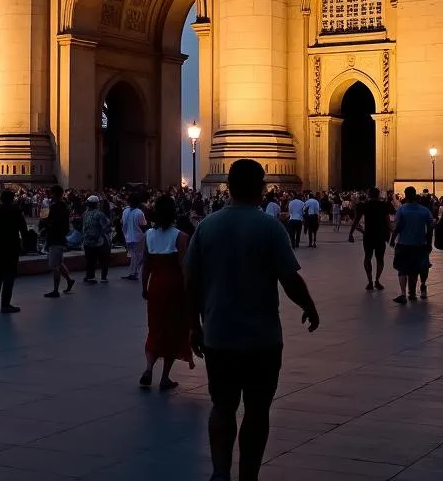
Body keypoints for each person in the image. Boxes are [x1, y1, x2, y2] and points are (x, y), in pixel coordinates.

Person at [185, 159, 319, 481]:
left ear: (227, 187)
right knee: (257, 410)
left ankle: (220, 472)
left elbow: (190, 282)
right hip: (262, 339)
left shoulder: (207, 226)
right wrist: (310, 306)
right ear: (261, 188)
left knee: (222, 405)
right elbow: (290, 279)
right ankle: (248, 475)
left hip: (218, 335)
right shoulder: (270, 227)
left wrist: (194, 326)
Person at [140, 195, 192, 391]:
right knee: (173, 330)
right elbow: (184, 266)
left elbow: (146, 265)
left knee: (155, 327)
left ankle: (148, 368)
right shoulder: (181, 236)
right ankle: (164, 377)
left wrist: (144, 287)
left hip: (156, 286)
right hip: (174, 286)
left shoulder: (149, 235)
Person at [389, 186, 433, 304]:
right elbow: (430, 228)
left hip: (404, 244)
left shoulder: (402, 210)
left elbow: (397, 227)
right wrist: (429, 243)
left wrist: (392, 239)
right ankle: (421, 287)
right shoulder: (425, 210)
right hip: (420, 244)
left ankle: (404, 293)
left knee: (402, 269)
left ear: (406, 195)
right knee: (420, 268)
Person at [349, 187, 396, 290]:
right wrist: (393, 236)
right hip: (380, 236)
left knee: (367, 257)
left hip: (368, 235)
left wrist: (351, 233)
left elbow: (356, 221)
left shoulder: (364, 206)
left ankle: (370, 281)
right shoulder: (383, 206)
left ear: (368, 195)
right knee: (380, 259)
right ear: (378, 195)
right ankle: (377, 280)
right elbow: (389, 220)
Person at [43, 184, 75, 298]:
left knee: (54, 265)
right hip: (59, 239)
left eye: (51, 193)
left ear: (55, 194)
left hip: (55, 239)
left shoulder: (55, 207)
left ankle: (56, 290)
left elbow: (44, 220)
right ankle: (69, 280)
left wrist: (47, 219)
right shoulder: (62, 206)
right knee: (59, 263)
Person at [82, 194, 112, 283]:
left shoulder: (84, 214)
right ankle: (103, 277)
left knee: (90, 260)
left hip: (87, 241)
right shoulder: (100, 214)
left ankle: (90, 276)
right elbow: (106, 228)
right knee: (104, 260)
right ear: (96, 204)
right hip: (99, 241)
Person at [121, 191, 148, 281]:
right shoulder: (139, 213)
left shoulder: (125, 211)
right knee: (139, 255)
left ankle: (133, 272)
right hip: (138, 237)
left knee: (133, 255)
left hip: (128, 236)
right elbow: (143, 225)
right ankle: (135, 273)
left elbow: (123, 224)